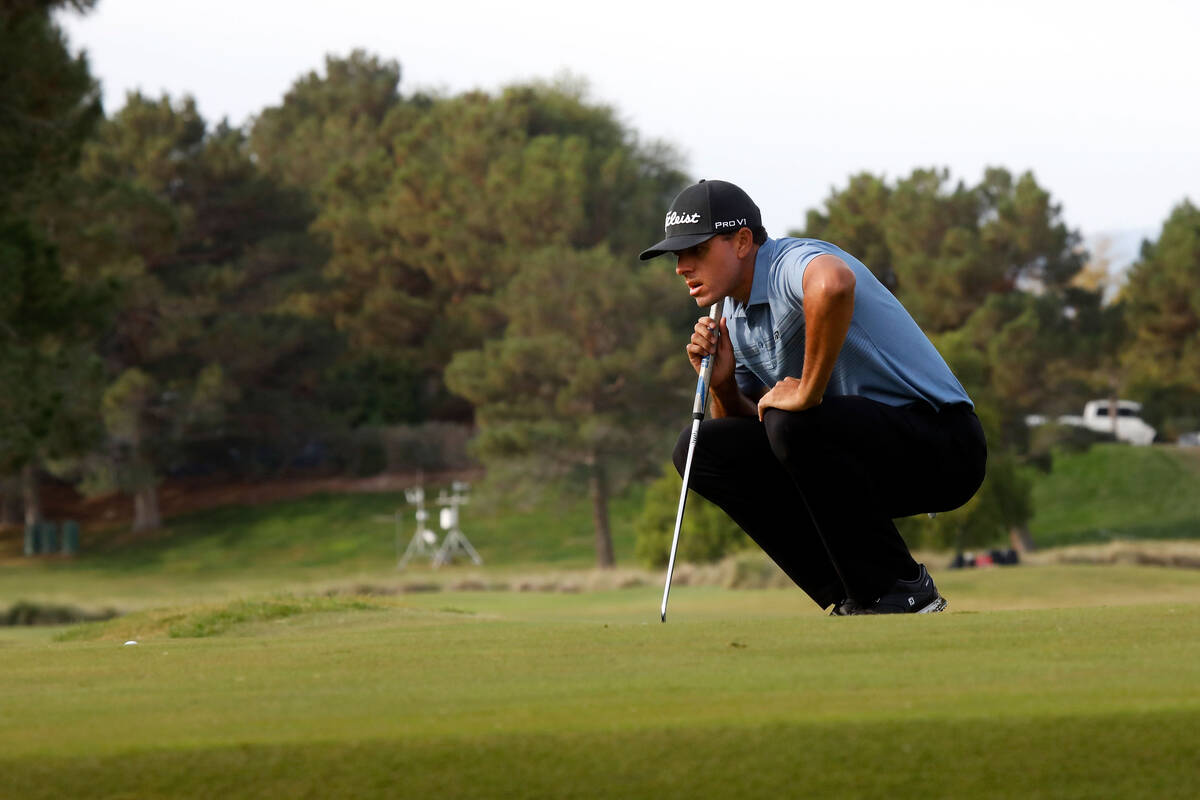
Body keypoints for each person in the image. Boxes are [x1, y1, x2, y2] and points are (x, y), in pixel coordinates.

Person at [639, 179, 986, 614]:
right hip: (856, 458)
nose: (681, 267)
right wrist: (724, 383)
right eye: (678, 255)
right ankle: (851, 593)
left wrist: (808, 389)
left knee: (794, 419)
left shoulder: (786, 263)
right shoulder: (733, 312)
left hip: (945, 446)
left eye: (697, 251)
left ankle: (901, 588)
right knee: (703, 448)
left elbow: (834, 283)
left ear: (743, 241)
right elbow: (749, 430)